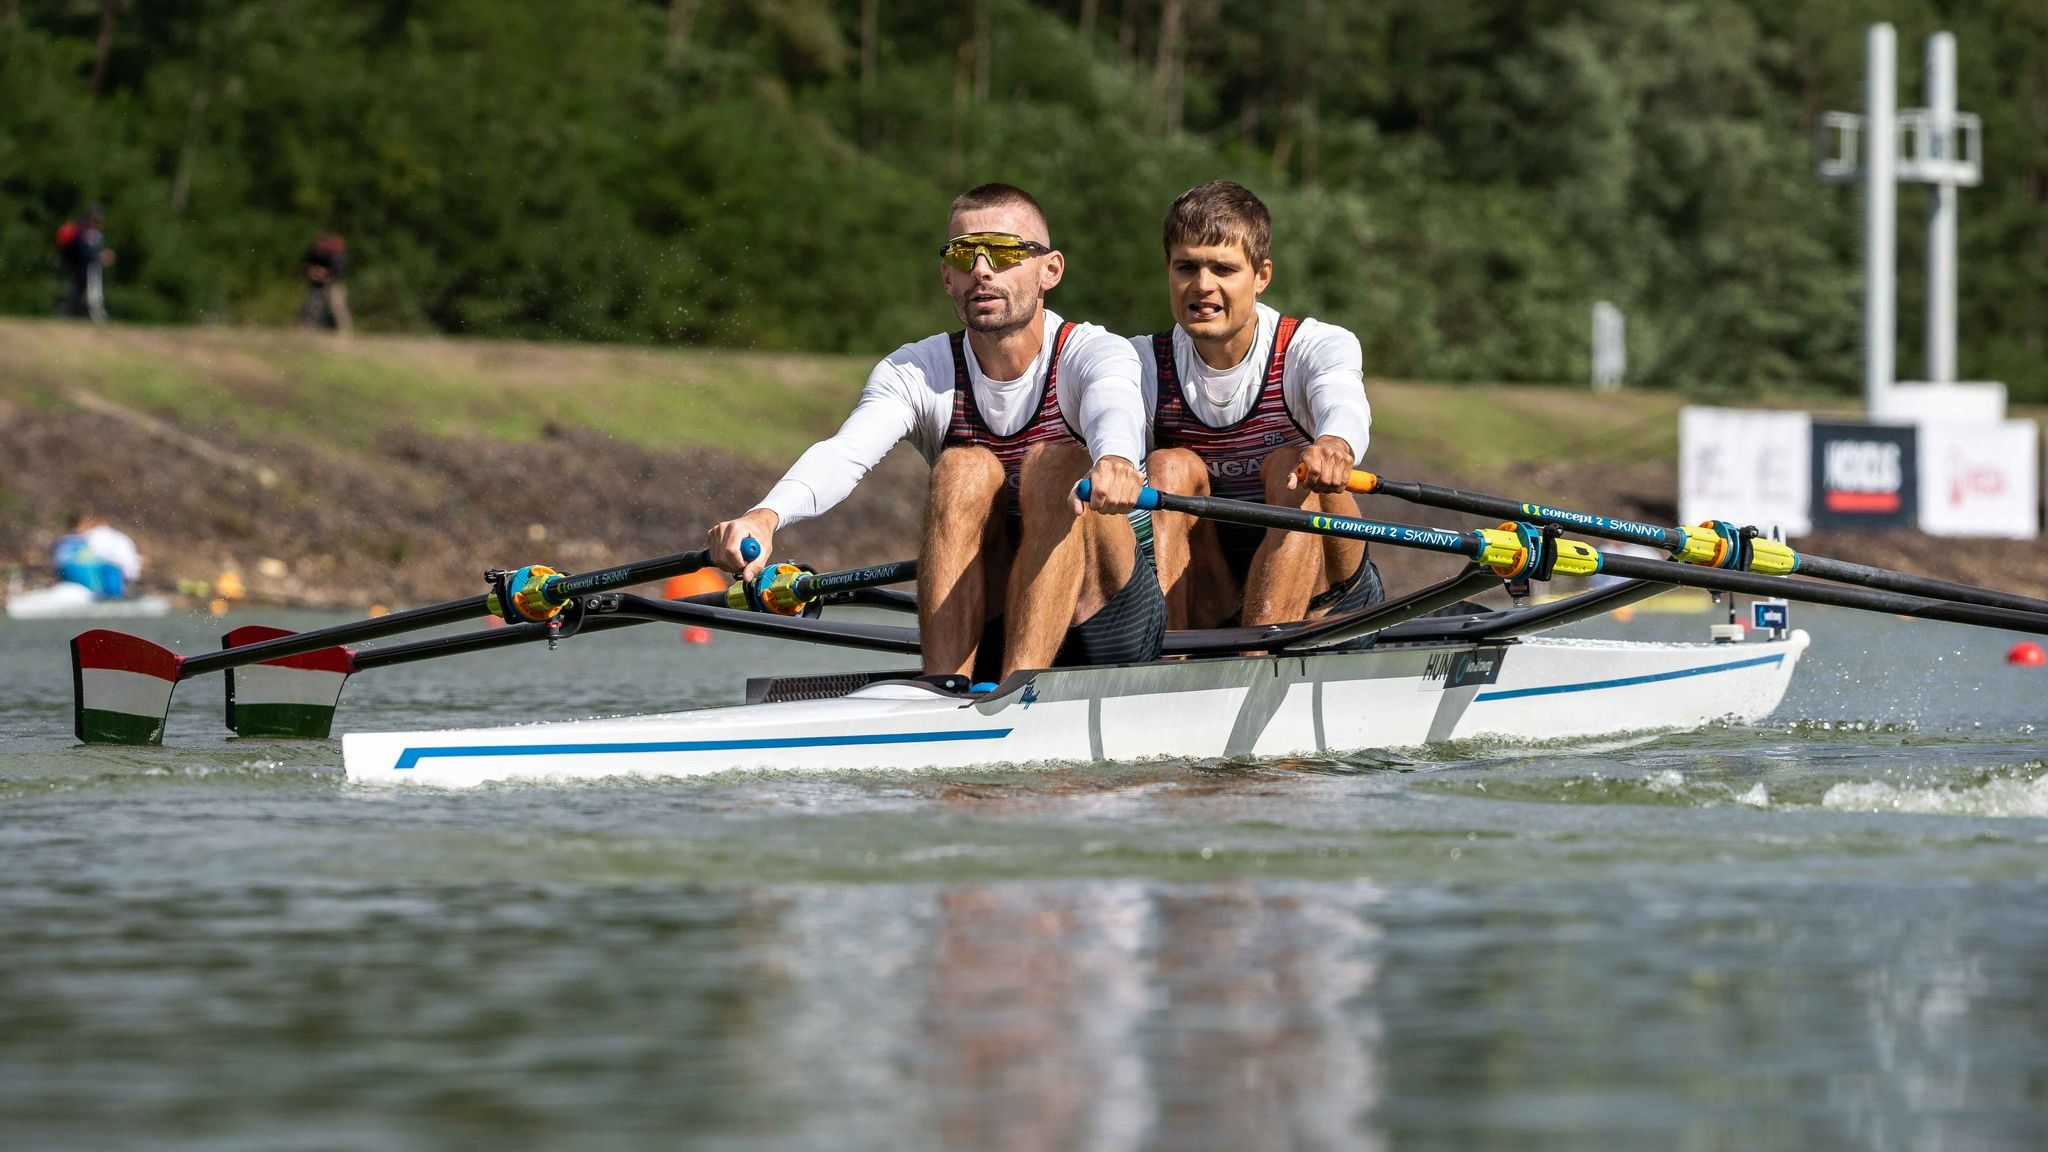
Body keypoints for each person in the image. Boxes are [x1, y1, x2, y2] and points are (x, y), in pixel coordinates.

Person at [707, 183, 1161, 685]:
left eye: (1005, 252)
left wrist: (1116, 459)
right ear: (947, 276)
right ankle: (945, 688)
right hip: (995, 617)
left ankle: (1018, 692)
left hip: (1108, 621)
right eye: (965, 255)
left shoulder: (1095, 352)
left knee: (1054, 464)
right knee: (963, 467)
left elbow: (1113, 406)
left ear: (1050, 270)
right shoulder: (916, 370)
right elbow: (844, 454)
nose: (982, 270)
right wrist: (765, 516)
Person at [1139, 180, 1383, 629]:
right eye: (1186, 267)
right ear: (1168, 271)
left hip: (1326, 589)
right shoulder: (1140, 363)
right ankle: (1167, 666)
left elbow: (1342, 400)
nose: (1202, 286)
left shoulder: (1313, 345)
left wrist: (1334, 443)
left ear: (1262, 275)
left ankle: (1257, 652)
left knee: (1291, 465)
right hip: (1213, 584)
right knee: (1168, 466)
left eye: (1223, 269)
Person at [51, 513, 143, 599]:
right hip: (80, 571)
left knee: (109, 567)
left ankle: (112, 595)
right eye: (85, 526)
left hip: (74, 570)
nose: (88, 529)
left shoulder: (66, 540)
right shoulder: (78, 540)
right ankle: (114, 596)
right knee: (110, 568)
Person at [55, 207, 114, 323]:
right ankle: (95, 315)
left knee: (78, 292)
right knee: (91, 292)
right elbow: (85, 251)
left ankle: (69, 312)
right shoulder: (86, 233)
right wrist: (99, 257)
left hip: (83, 267)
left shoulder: (91, 233)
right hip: (85, 268)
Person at [299, 232, 353, 332]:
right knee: (310, 306)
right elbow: (304, 267)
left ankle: (345, 330)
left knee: (337, 306)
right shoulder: (313, 253)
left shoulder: (335, 254)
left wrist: (324, 274)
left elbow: (338, 272)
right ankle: (307, 328)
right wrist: (312, 272)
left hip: (333, 284)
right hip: (316, 284)